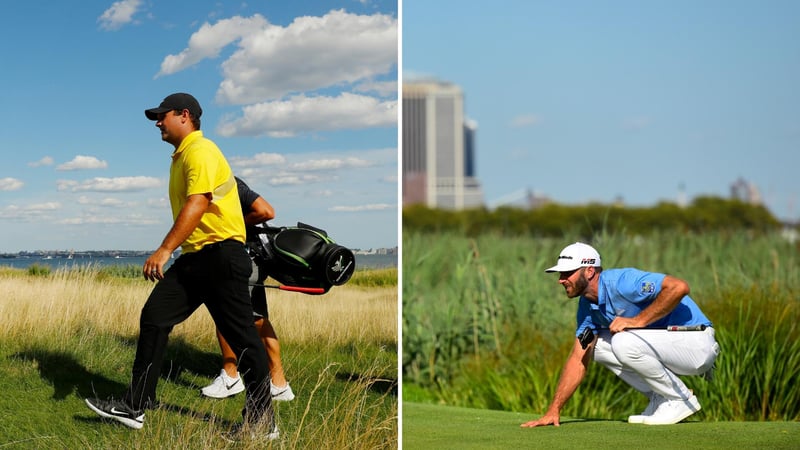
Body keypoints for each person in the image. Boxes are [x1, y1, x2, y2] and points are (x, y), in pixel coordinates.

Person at [85, 93, 277, 441]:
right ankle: (135, 406)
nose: (158, 122)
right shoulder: (181, 157)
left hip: (220, 257)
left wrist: (163, 251)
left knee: (243, 339)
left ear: (184, 115)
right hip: (196, 259)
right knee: (155, 316)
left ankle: (263, 422)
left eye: (162, 116)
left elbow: (199, 202)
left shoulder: (200, 151)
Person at [521, 242, 720, 427]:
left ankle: (679, 399)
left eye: (567, 273)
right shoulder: (587, 308)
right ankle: (660, 396)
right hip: (670, 347)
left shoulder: (623, 282)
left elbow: (679, 287)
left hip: (696, 342)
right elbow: (577, 359)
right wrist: (554, 410)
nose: (561, 280)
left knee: (622, 341)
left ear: (589, 271)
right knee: (596, 348)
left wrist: (638, 321)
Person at [200, 176, 295, 402]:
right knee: (258, 320)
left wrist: (233, 227)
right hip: (251, 259)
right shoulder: (222, 183)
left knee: (226, 315)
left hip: (244, 258)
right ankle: (279, 384)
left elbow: (266, 211)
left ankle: (231, 377)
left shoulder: (225, 182)